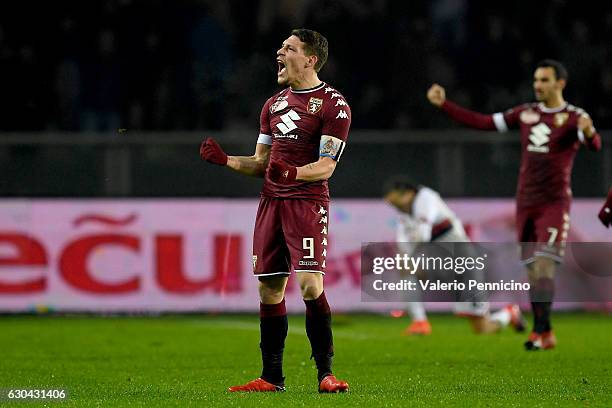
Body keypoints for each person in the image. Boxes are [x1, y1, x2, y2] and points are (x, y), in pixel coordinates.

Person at [200, 29, 350, 392]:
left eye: (289, 48)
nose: (279, 52)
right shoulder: (273, 105)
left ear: (310, 59)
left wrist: (294, 173)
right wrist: (227, 161)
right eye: (281, 47)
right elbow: (261, 163)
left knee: (310, 284)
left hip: (307, 202)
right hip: (271, 202)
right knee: (269, 289)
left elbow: (327, 165)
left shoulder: (334, 105)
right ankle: (271, 377)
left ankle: (325, 374)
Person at [427, 59, 602, 350]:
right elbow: (484, 123)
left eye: (544, 80)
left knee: (544, 265)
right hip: (526, 204)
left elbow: (594, 146)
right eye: (536, 80)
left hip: (554, 204)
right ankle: (544, 332)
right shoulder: (525, 113)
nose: (538, 85)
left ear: (560, 83)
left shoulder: (574, 117)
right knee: (534, 271)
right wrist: (446, 105)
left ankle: (541, 332)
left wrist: (589, 132)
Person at [383, 176, 525, 335]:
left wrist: (409, 257)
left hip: (461, 260)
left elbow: (423, 235)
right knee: (406, 270)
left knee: (483, 329)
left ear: (408, 193)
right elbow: (403, 242)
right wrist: (407, 259)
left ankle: (509, 313)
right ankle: (420, 322)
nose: (393, 205)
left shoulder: (426, 197)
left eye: (395, 200)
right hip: (438, 260)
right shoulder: (404, 213)